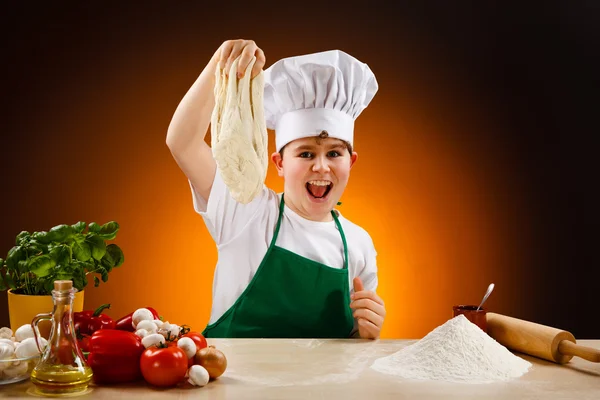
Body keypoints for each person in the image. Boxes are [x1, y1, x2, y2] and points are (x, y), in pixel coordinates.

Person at [166, 39, 386, 339]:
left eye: (334, 153)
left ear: (352, 162)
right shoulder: (246, 210)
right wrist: (220, 63)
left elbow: (352, 346)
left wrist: (367, 332)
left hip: (323, 387)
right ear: (279, 163)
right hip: (236, 384)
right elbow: (182, 142)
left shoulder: (358, 244)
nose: (321, 167)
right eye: (306, 154)